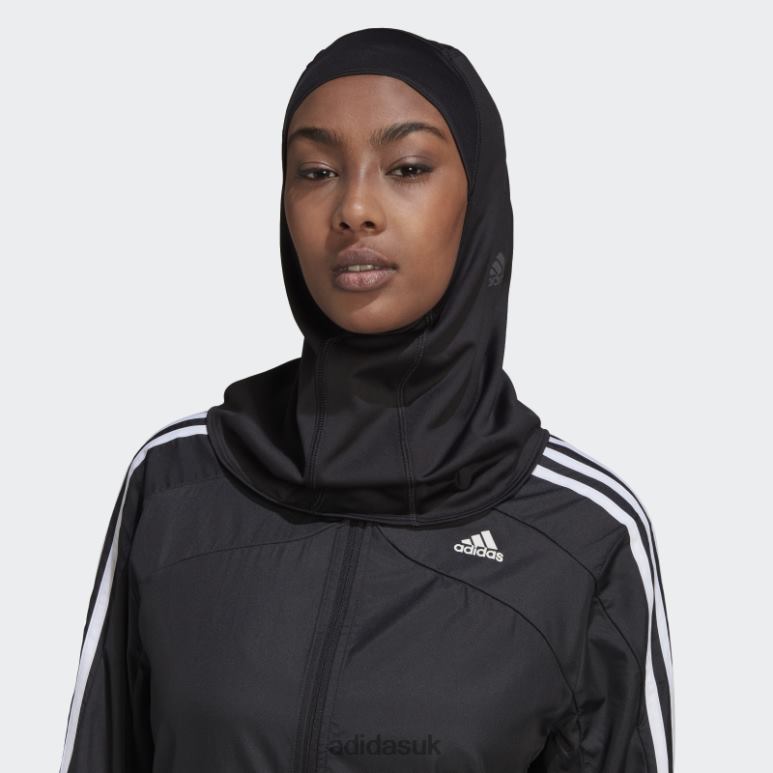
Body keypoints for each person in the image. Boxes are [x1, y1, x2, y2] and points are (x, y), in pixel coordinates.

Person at [57, 27, 674, 773]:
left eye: (407, 168)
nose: (353, 208)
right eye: (316, 172)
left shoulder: (583, 535)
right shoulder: (176, 484)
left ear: (478, 199)